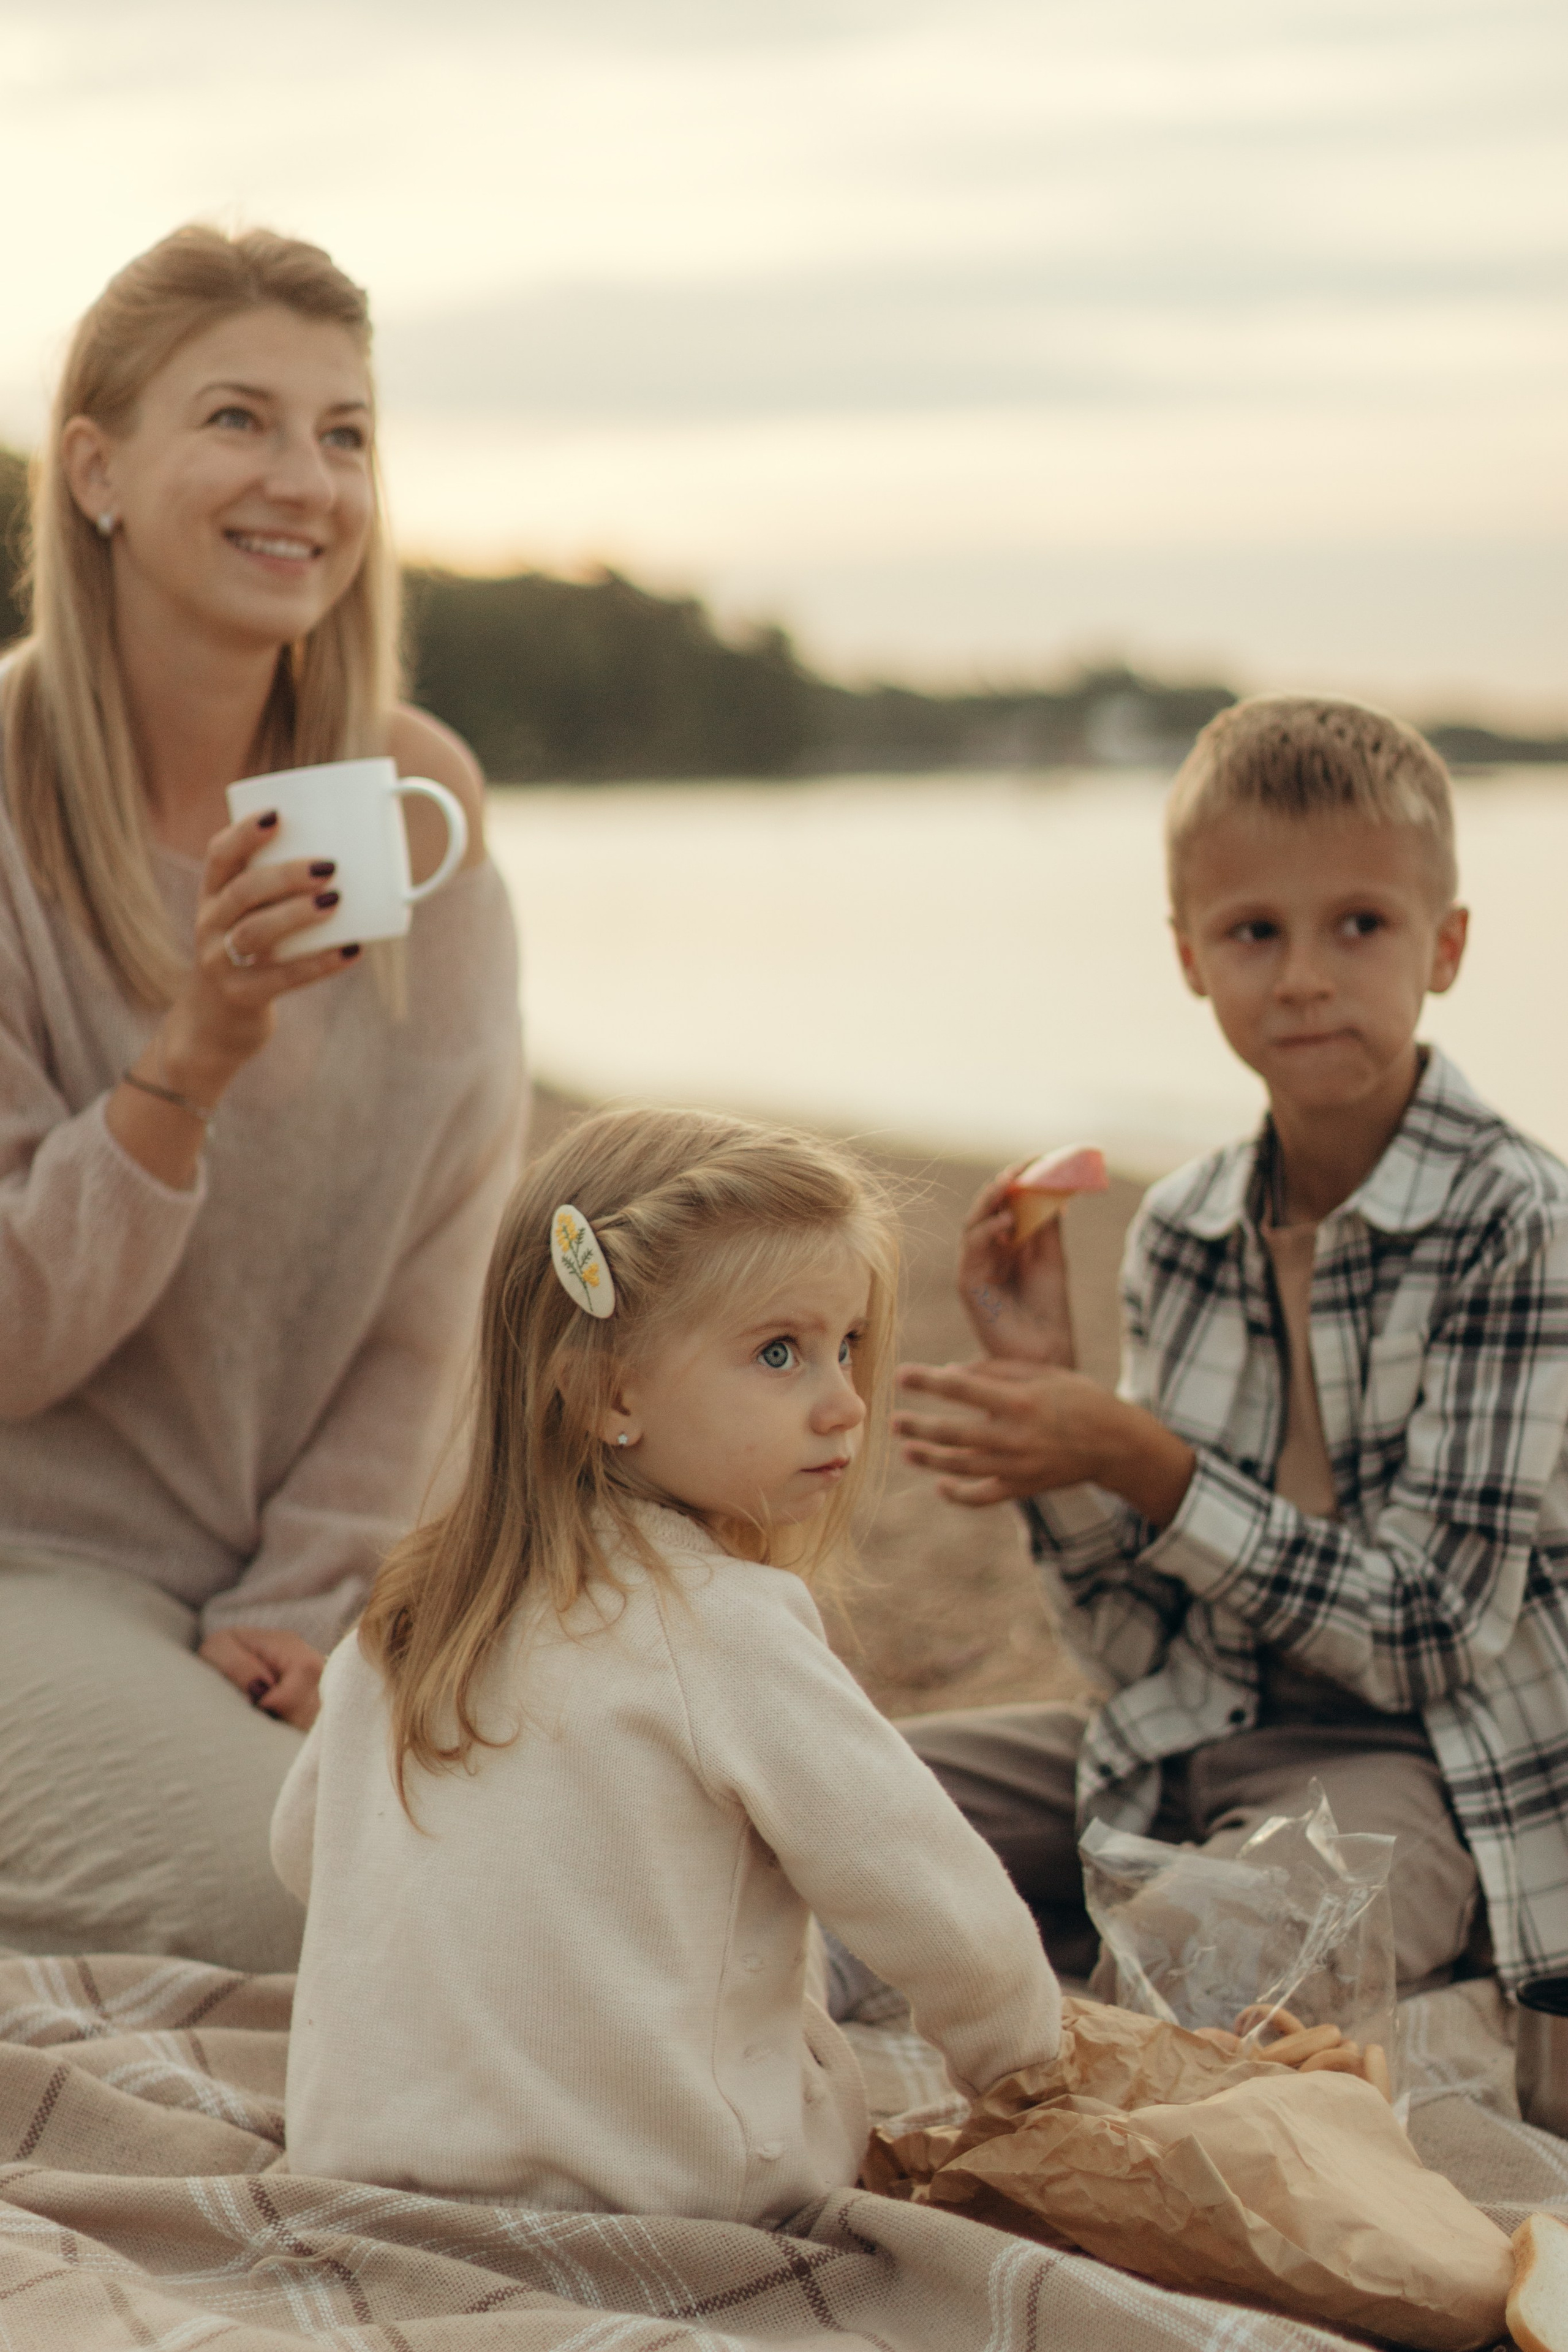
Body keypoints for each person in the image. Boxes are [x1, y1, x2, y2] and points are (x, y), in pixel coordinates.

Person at [0, 225, 524, 1972]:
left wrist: (322, 1587)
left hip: (331, 1570)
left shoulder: (412, 804)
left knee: (639, 1831)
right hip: (35, 1567)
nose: (306, 480)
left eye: (344, 433)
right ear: (96, 472)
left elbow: (437, 1272)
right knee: (306, 1908)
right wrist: (193, 1059)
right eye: (239, 419)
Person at [889, 694, 1568, 2000]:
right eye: (1255, 931)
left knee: (1215, 1952)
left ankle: (1104, 1989)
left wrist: (1141, 1461)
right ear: (1190, 956)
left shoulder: (1518, 1222)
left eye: (1359, 925)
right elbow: (1132, 1653)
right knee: (833, 1801)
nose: (1304, 976)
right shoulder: (1185, 1228)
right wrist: (1055, 1416)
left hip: (1433, 1771)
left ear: (1445, 946)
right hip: (1192, 1732)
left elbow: (1428, 1636)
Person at [272, 1107, 1060, 2218]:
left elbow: (303, 1852)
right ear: (610, 1394)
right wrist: (1032, 2079)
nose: (845, 1400)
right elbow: (940, 1903)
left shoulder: (408, 1614)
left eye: (846, 1345)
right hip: (668, 2191)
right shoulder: (727, 1625)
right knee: (808, 2047)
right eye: (780, 1353)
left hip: (365, 2159)